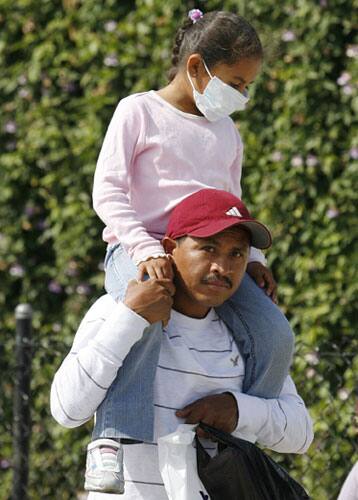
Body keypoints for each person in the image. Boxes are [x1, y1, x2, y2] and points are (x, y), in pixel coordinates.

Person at [90, 8, 295, 494]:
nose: (243, 95)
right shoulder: (137, 111)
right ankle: (112, 436)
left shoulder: (227, 133)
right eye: (237, 82)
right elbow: (108, 192)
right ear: (198, 67)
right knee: (141, 316)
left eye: (248, 85)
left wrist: (257, 260)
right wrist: (143, 250)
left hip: (209, 254)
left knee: (275, 334)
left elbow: (231, 209)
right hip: (139, 248)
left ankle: (239, 437)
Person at [51, 189, 314, 499]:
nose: (222, 266)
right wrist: (130, 319)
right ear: (169, 249)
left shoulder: (248, 335)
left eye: (236, 254)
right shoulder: (115, 310)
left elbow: (301, 433)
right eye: (208, 248)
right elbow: (67, 410)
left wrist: (238, 410)